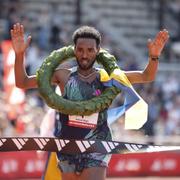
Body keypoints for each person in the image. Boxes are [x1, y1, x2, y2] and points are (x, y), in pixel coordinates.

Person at [11, 23, 169, 180]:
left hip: (96, 147)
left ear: (98, 51)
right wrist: (19, 55)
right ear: (74, 50)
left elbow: (146, 76)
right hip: (68, 146)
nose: (84, 55)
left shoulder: (108, 76)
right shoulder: (62, 76)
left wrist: (154, 56)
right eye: (80, 50)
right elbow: (22, 82)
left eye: (90, 50)